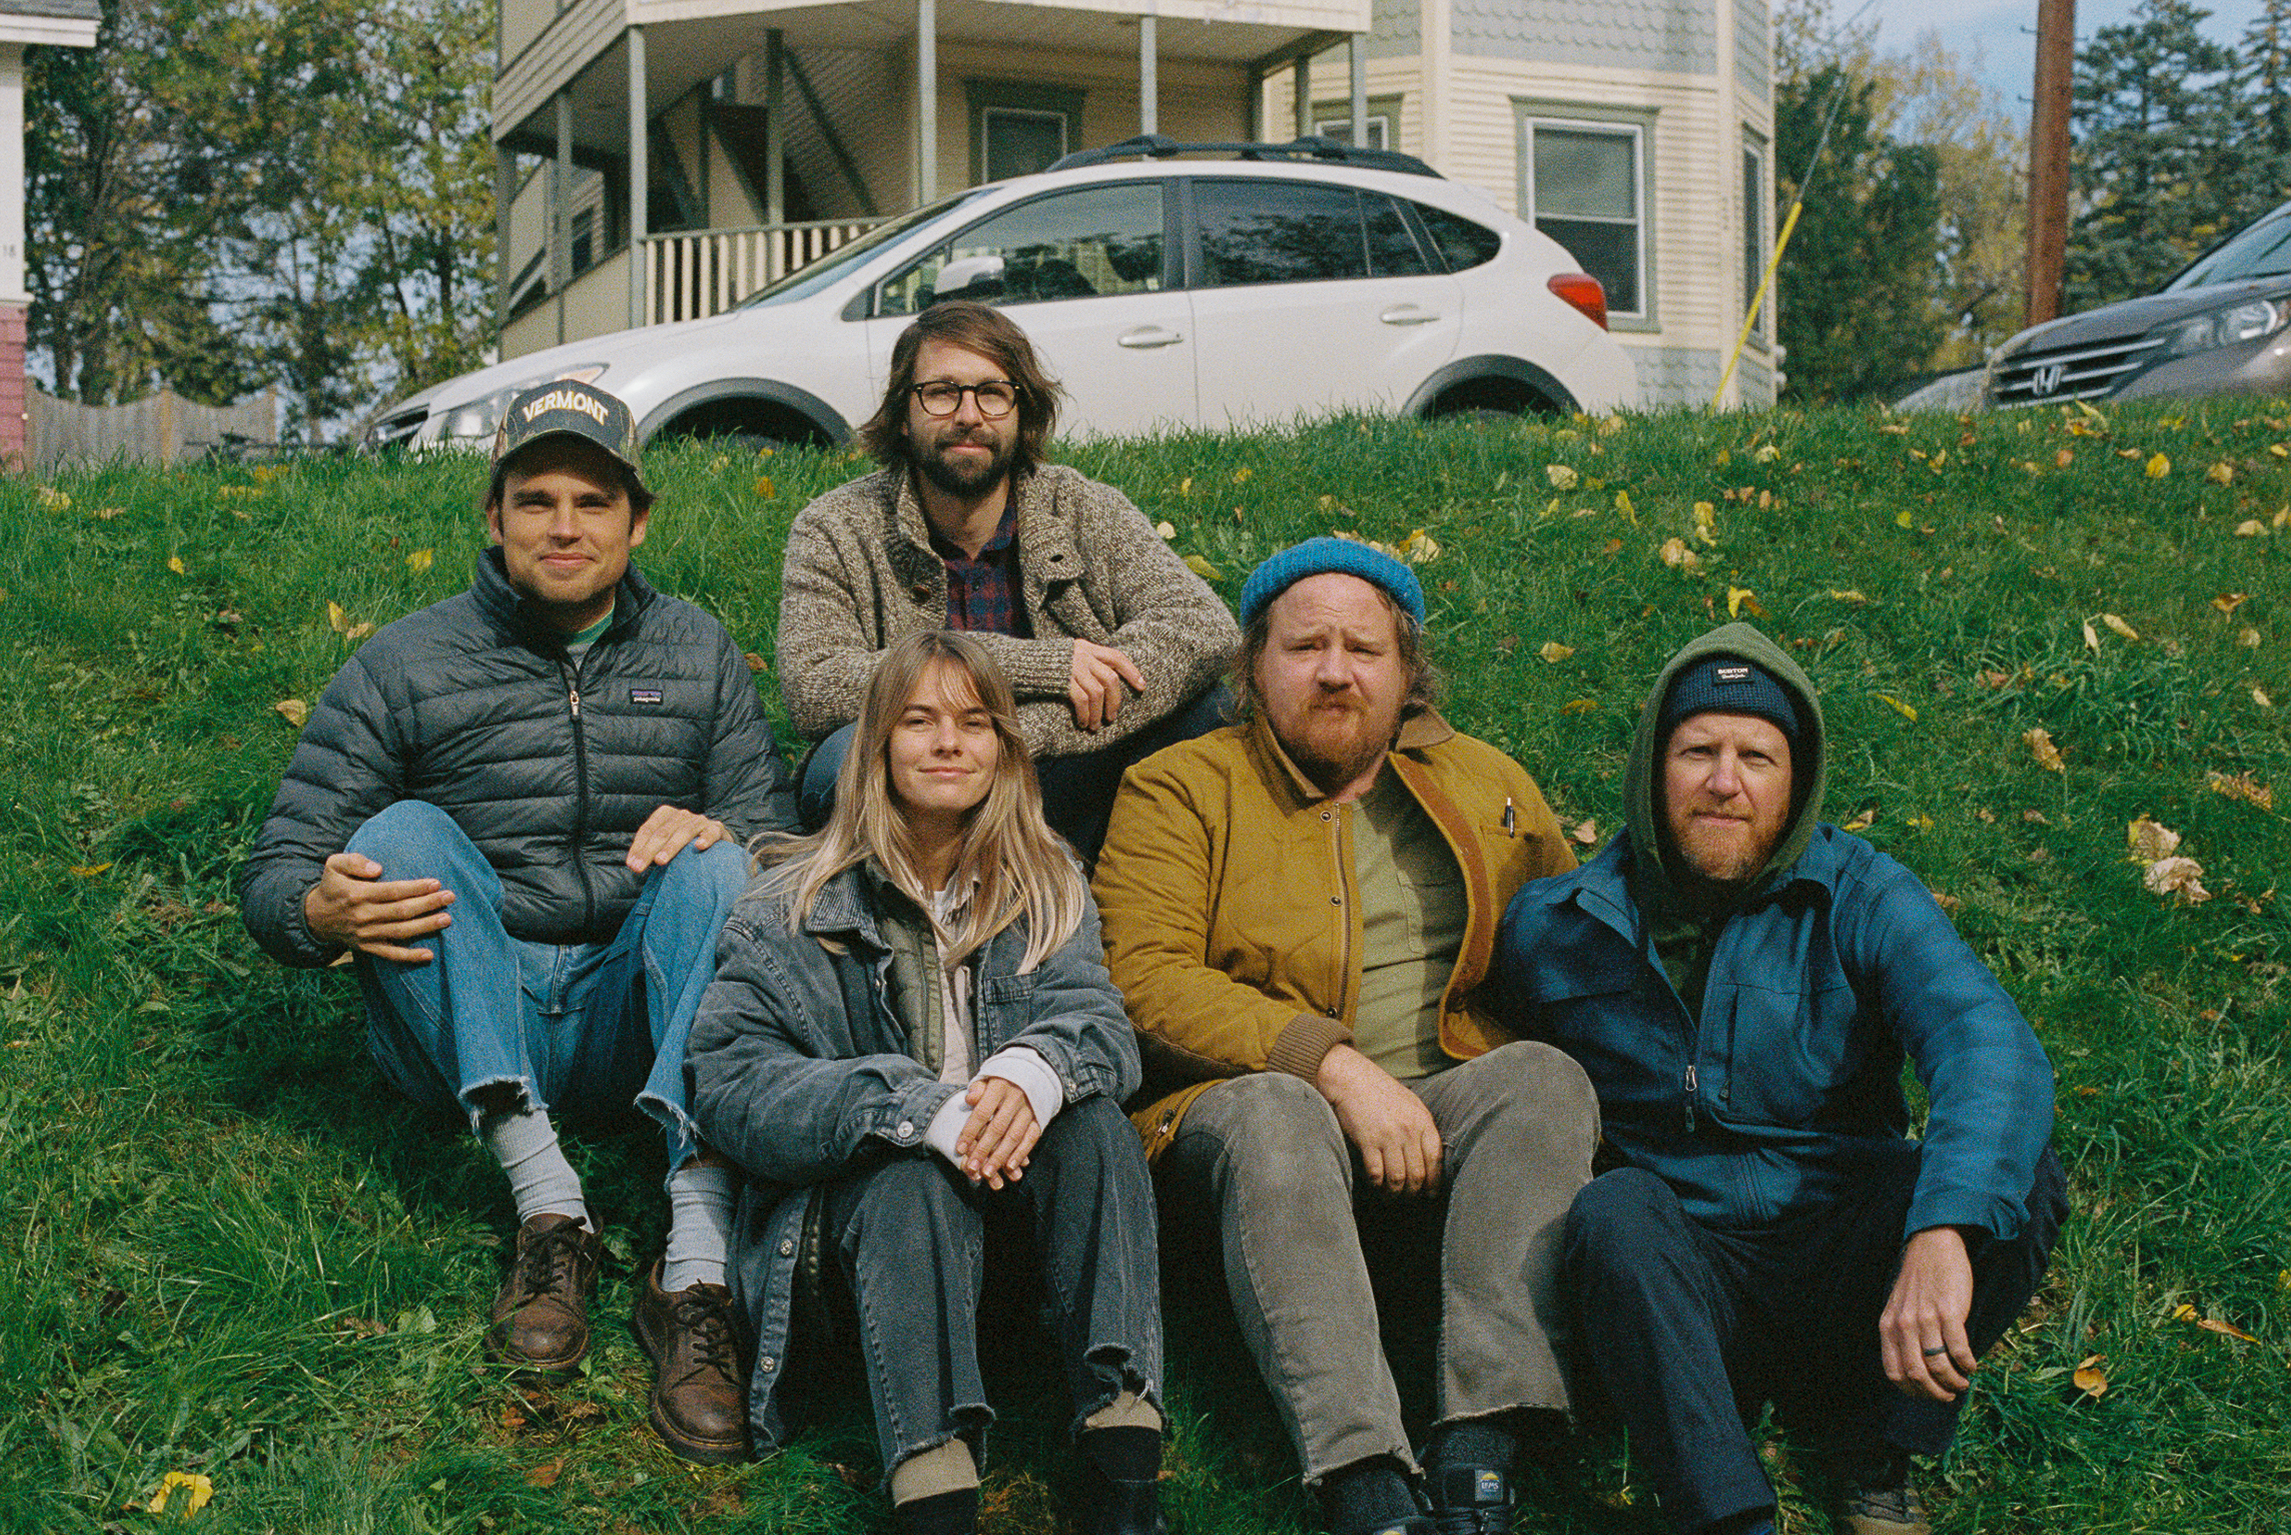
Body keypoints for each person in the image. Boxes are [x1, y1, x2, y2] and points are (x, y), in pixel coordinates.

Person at [238, 380, 796, 1464]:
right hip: (471, 1008)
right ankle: (549, 1208)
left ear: (638, 521)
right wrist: (315, 907)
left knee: (722, 858)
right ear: (492, 516)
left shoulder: (696, 651)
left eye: (593, 501)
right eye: (535, 499)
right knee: (399, 831)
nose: (563, 525)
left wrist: (723, 828)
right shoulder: (406, 659)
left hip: (639, 1011)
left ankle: (693, 1258)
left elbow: (780, 851)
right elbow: (274, 871)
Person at [1493, 623, 2068, 1535]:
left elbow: (1988, 1047)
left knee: (2016, 1175)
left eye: (1756, 755)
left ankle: (1874, 1449)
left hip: (1844, 1252)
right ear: (1653, 769)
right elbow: (1479, 1072)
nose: (1726, 781)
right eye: (1697, 751)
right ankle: (1722, 1509)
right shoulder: (1553, 924)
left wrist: (1941, 1228)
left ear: (1794, 780)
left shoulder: (1861, 894)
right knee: (1613, 1212)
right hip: (1680, 1283)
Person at [1092, 537, 1597, 1535]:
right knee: (1277, 1107)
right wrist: (1330, 1063)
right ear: (1251, 666)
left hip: (1445, 1097)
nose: (1333, 670)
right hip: (1231, 1118)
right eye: (1303, 645)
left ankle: (1477, 1444)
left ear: (1406, 670)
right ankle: (1361, 1472)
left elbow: (1575, 939)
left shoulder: (1487, 782)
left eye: (1362, 648)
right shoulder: (1178, 786)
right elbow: (1138, 975)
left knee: (1541, 1075)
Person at [687, 631, 1166, 1535]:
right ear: (875, 747)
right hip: (863, 1251)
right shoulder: (787, 901)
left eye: (974, 722)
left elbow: (1100, 1023)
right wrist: (914, 1110)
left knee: (1098, 1124)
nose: (948, 742)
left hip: (1016, 1236)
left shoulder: (1046, 882)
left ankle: (1122, 1455)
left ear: (1003, 750)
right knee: (907, 1175)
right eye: (918, 720)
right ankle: (932, 1481)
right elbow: (733, 1083)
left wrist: (1029, 1076)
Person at [775, 300, 1238, 859]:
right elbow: (816, 685)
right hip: (915, 794)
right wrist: (1039, 664)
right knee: (839, 758)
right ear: (903, 412)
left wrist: (1015, 737)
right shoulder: (836, 527)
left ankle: (1103, 895)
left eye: (993, 394)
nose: (969, 414)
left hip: (1069, 776)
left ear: (1022, 416)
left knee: (1214, 711)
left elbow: (1206, 630)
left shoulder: (1082, 507)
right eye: (942, 392)